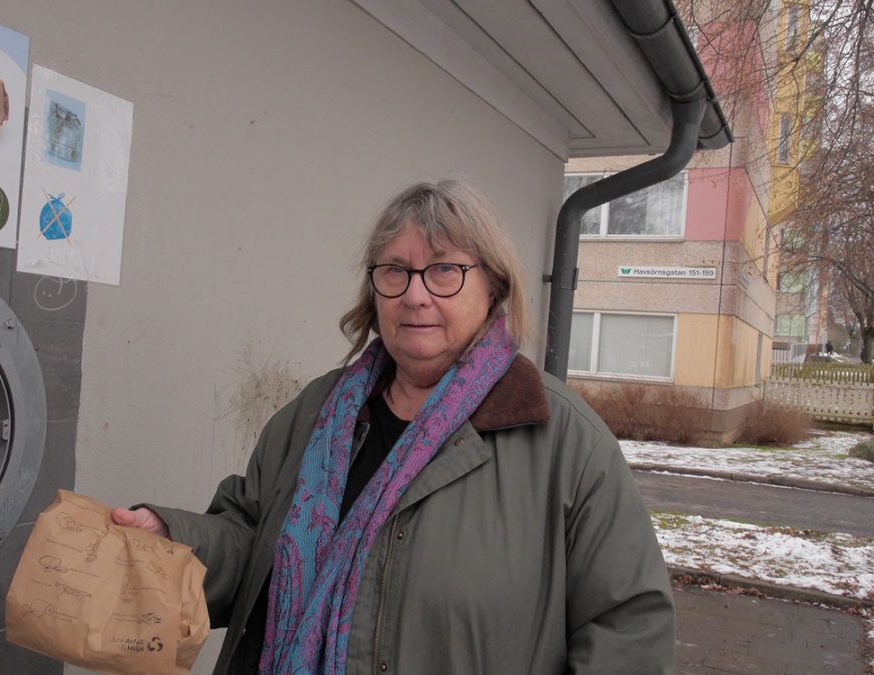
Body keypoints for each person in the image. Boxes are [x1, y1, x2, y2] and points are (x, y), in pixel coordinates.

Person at [113, 180, 675, 674]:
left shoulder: (562, 439)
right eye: (395, 271)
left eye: (445, 271)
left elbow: (629, 629)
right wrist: (172, 544)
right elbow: (253, 540)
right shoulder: (317, 413)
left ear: (494, 289)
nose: (415, 295)